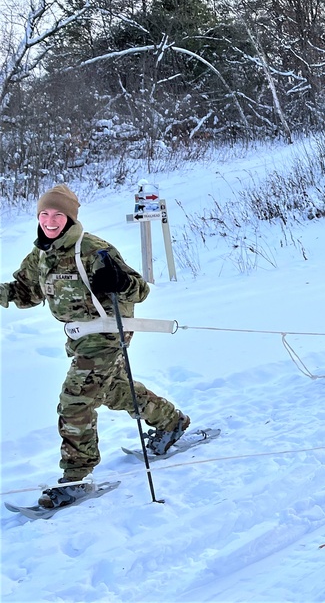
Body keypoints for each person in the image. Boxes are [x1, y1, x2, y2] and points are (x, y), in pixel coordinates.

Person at [0, 185, 190, 508]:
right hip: (78, 338)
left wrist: (118, 281)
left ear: (70, 217)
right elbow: (24, 291)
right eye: (44, 214)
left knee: (75, 399)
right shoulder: (41, 255)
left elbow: (139, 289)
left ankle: (76, 477)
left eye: (57, 215)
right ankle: (171, 422)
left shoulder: (92, 249)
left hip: (107, 334)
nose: (49, 221)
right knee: (111, 390)